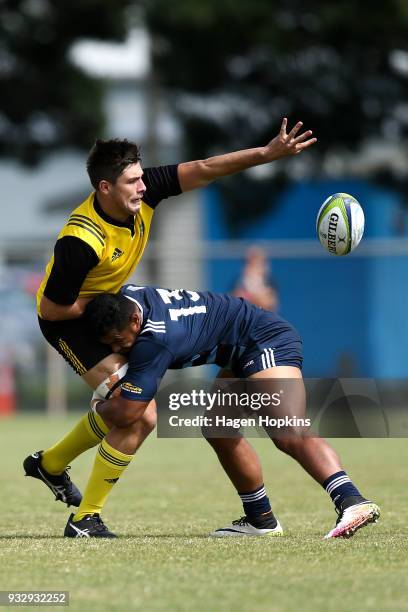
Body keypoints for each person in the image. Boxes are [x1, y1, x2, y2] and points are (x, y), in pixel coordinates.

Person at [24, 119, 317, 509]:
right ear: (105, 187)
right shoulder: (81, 241)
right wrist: (101, 304)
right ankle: (87, 517)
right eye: (132, 181)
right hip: (68, 322)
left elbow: (206, 167)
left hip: (105, 309)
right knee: (140, 415)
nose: (143, 186)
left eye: (141, 177)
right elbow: (51, 308)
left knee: (135, 411)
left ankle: (52, 464)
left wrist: (265, 155)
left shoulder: (143, 192)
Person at [62, 284, 380, 539]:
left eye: (120, 341)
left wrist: (102, 401)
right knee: (219, 430)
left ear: (135, 321)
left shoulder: (153, 341)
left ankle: (351, 501)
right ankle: (261, 520)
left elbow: (129, 414)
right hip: (241, 349)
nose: (119, 350)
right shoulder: (129, 299)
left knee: (288, 431)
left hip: (265, 341)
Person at [233, 246, 279, 311]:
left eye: (255, 261)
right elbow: (234, 304)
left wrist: (251, 296)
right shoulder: (239, 281)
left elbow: (269, 304)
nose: (249, 266)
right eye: (247, 262)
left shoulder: (269, 282)